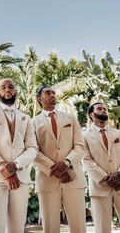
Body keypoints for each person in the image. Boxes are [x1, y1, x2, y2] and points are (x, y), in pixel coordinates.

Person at [0, 78, 38, 233]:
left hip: (20, 178)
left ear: (16, 91)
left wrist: (16, 165)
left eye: (11, 87)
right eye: (3, 87)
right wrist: (4, 168)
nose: (7, 90)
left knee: (17, 228)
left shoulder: (26, 117)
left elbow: (32, 147)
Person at [33, 86, 87, 233]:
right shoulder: (32, 122)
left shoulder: (71, 118)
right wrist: (54, 169)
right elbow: (32, 151)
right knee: (50, 227)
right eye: (48, 93)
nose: (52, 95)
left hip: (73, 177)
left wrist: (66, 163)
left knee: (79, 226)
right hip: (47, 178)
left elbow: (80, 146)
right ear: (39, 98)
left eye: (53, 93)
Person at [82, 102, 120, 233]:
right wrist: (105, 178)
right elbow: (85, 159)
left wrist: (118, 175)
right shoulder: (84, 135)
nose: (103, 110)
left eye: (105, 109)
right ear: (91, 114)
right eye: (99, 109)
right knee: (102, 228)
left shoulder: (118, 133)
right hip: (99, 186)